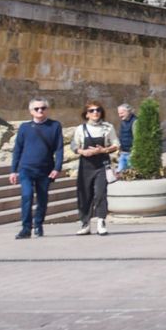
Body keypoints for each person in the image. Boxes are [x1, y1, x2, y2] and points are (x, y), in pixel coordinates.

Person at [8, 98, 63, 238]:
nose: (40, 111)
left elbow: (59, 149)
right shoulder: (25, 127)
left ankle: (38, 224)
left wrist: (57, 168)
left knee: (42, 198)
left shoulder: (55, 126)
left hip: (45, 169)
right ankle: (26, 228)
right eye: (37, 109)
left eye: (43, 108)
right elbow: (18, 149)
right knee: (26, 196)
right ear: (31, 111)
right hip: (26, 168)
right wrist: (13, 170)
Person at [71, 100, 119, 235]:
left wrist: (104, 150)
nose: (95, 113)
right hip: (86, 164)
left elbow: (116, 144)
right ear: (86, 114)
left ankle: (101, 221)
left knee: (100, 193)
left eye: (97, 110)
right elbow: (74, 146)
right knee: (84, 194)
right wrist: (83, 152)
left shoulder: (108, 127)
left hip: (102, 164)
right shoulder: (81, 129)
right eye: (91, 111)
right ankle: (85, 223)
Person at [116, 103, 136, 173]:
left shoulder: (135, 122)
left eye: (122, 113)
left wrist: (134, 151)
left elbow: (137, 138)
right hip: (123, 152)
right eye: (119, 113)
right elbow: (121, 135)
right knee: (119, 171)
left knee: (131, 172)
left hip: (131, 153)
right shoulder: (123, 122)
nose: (120, 115)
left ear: (128, 111)